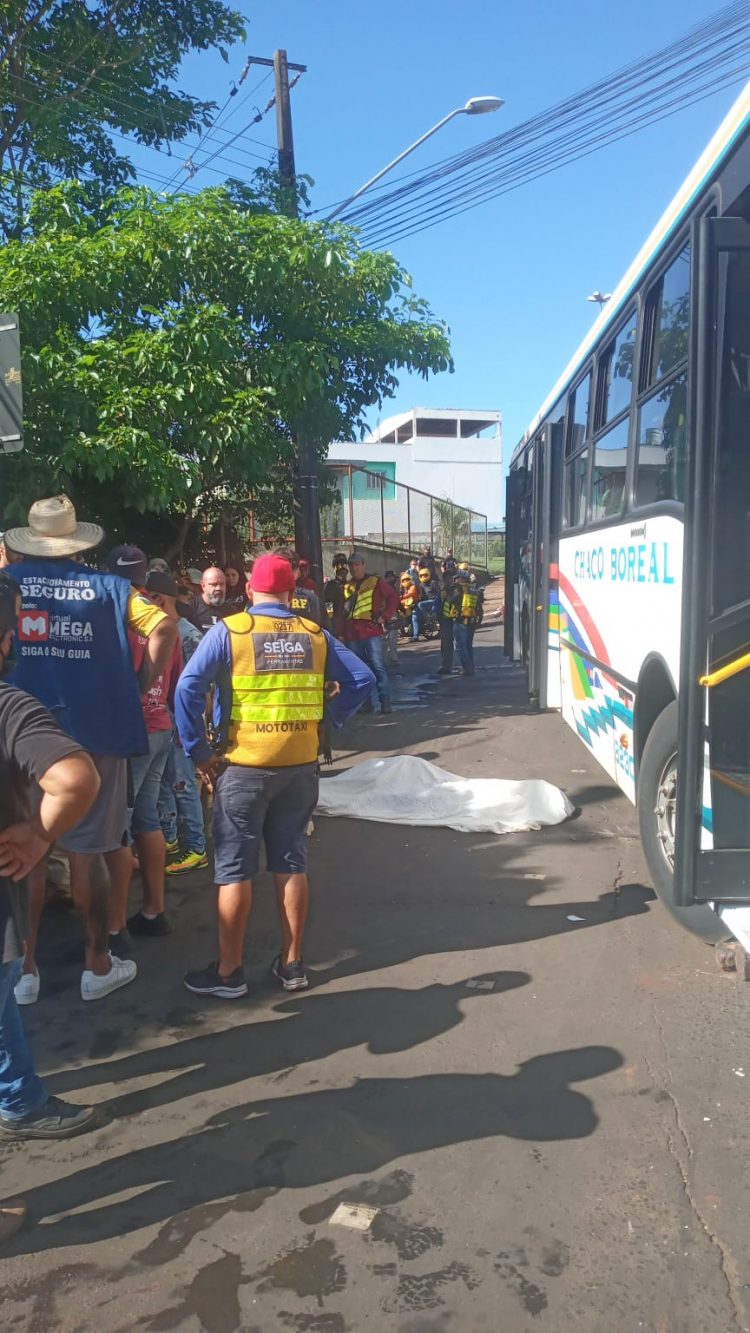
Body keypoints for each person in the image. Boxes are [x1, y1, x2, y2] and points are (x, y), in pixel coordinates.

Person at [175, 553, 374, 999]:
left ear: (249, 590)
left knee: (234, 870)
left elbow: (188, 688)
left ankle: (229, 974)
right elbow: (362, 679)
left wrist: (199, 752)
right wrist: (328, 722)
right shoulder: (315, 635)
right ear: (291, 593)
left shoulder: (230, 632)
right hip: (300, 768)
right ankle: (293, 965)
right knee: (291, 863)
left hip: (242, 766)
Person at [6, 496, 175, 1002]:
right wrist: (140, 680)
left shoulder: (10, 584)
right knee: (90, 849)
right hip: (97, 729)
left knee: (25, 852)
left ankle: (24, 971)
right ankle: (97, 964)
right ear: (76, 540)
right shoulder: (113, 588)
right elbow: (164, 626)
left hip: (21, 732)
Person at [0, 569, 102, 1139]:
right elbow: (74, 779)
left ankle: (20, 1099)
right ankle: (20, 1103)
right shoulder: (10, 707)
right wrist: (40, 834)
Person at [105, 549, 183, 938]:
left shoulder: (116, 617)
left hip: (132, 732)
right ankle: (154, 912)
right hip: (160, 726)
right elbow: (179, 680)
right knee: (147, 819)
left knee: (115, 828)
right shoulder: (164, 620)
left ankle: (113, 930)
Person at [145, 570, 207, 876]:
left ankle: (197, 847)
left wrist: (190, 727)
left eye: (146, 598)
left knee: (183, 784)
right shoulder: (159, 628)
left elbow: (198, 688)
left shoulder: (188, 634)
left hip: (181, 719)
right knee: (164, 784)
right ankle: (168, 836)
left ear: (158, 598)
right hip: (164, 718)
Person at [343, 552, 399, 714]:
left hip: (371, 630)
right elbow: (342, 611)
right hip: (352, 633)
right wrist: (341, 633)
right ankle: (365, 703)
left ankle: (385, 701)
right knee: (359, 670)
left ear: (363, 565)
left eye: (356, 564)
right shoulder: (347, 586)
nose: (353, 568)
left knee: (377, 666)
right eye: (351, 565)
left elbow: (393, 597)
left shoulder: (375, 581)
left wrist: (385, 616)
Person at [282, 549, 323, 626]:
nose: (303, 572)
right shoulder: (291, 583)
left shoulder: (310, 584)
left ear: (308, 571)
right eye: (301, 570)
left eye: (305, 570)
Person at [454, 569, 479, 676]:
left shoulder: (459, 589)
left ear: (461, 578)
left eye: (457, 578)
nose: (456, 580)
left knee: (460, 646)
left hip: (461, 620)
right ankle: (471, 666)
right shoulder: (473, 589)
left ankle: (467, 668)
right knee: (468, 645)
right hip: (472, 620)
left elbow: (453, 601)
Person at [192, 567, 230, 632]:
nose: (218, 588)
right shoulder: (191, 608)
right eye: (214, 584)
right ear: (203, 585)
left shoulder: (231, 612)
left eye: (222, 584)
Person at [438, 574, 461, 675]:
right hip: (445, 620)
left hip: (455, 620)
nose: (449, 581)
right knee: (445, 645)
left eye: (450, 579)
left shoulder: (456, 590)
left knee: (460, 645)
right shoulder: (442, 590)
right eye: (447, 580)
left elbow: (453, 600)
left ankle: (466, 666)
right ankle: (446, 666)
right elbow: (439, 604)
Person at [323, 554, 348, 640]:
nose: (342, 567)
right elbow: (328, 603)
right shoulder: (331, 586)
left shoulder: (351, 584)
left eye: (344, 564)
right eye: (338, 565)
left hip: (349, 625)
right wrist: (331, 621)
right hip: (336, 625)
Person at [382, 572, 401, 669]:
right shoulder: (384, 588)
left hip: (392, 615)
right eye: (393, 577)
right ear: (388, 577)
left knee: (392, 638)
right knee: (386, 639)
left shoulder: (392, 588)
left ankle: (392, 659)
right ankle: (385, 660)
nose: (395, 580)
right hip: (386, 616)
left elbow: (396, 602)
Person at [400, 570, 423, 642]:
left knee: (414, 618)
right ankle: (405, 632)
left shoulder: (412, 587)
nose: (405, 581)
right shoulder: (404, 589)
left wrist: (401, 597)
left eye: (407, 580)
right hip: (408, 606)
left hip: (415, 605)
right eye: (404, 580)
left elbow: (410, 594)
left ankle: (415, 636)